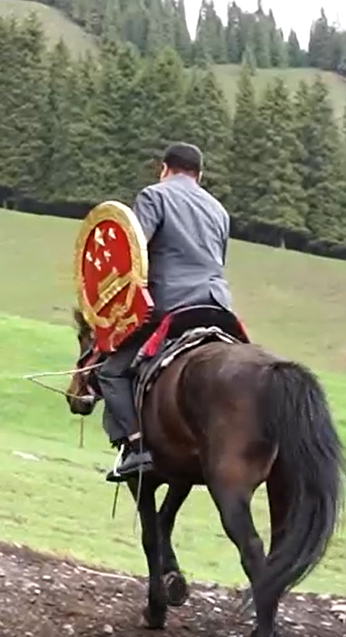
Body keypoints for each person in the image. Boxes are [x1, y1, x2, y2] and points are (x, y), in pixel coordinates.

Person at [96, 142, 234, 482]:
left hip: (171, 301)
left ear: (164, 168)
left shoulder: (154, 196)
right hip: (217, 304)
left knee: (111, 371)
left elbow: (134, 253)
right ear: (199, 175)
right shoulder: (219, 211)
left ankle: (134, 448)